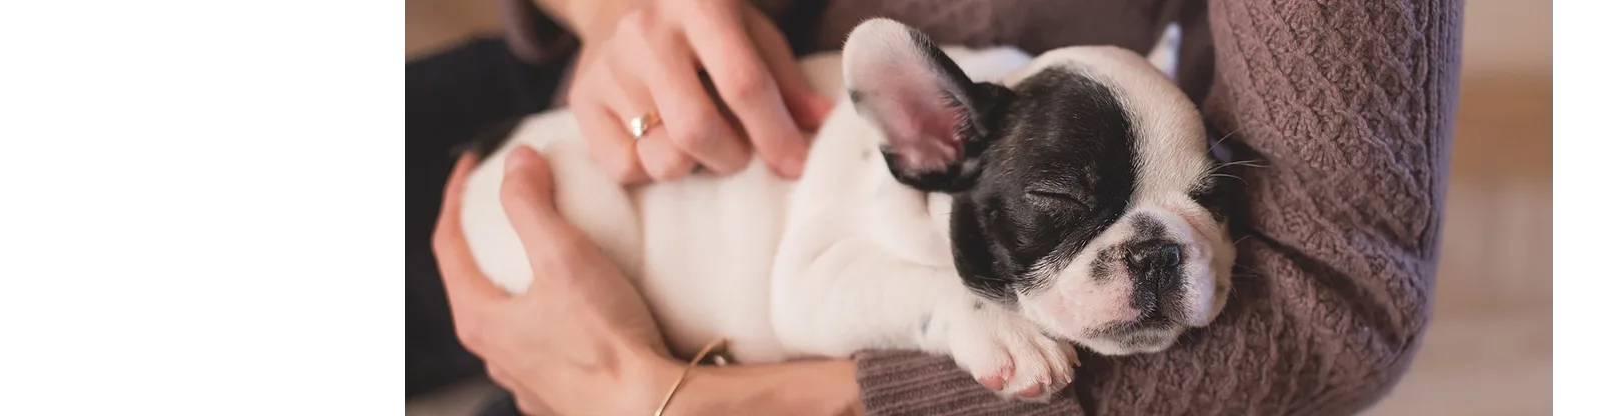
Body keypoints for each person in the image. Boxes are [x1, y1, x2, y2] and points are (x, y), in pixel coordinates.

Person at [407, 0, 1463, 413]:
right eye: (1067, 208)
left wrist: (672, 398)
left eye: (1200, 205)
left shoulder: (1024, 136)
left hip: (721, 361)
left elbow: (1337, 294)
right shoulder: (929, 145)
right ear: (926, 142)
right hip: (586, 176)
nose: (1151, 255)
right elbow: (812, 291)